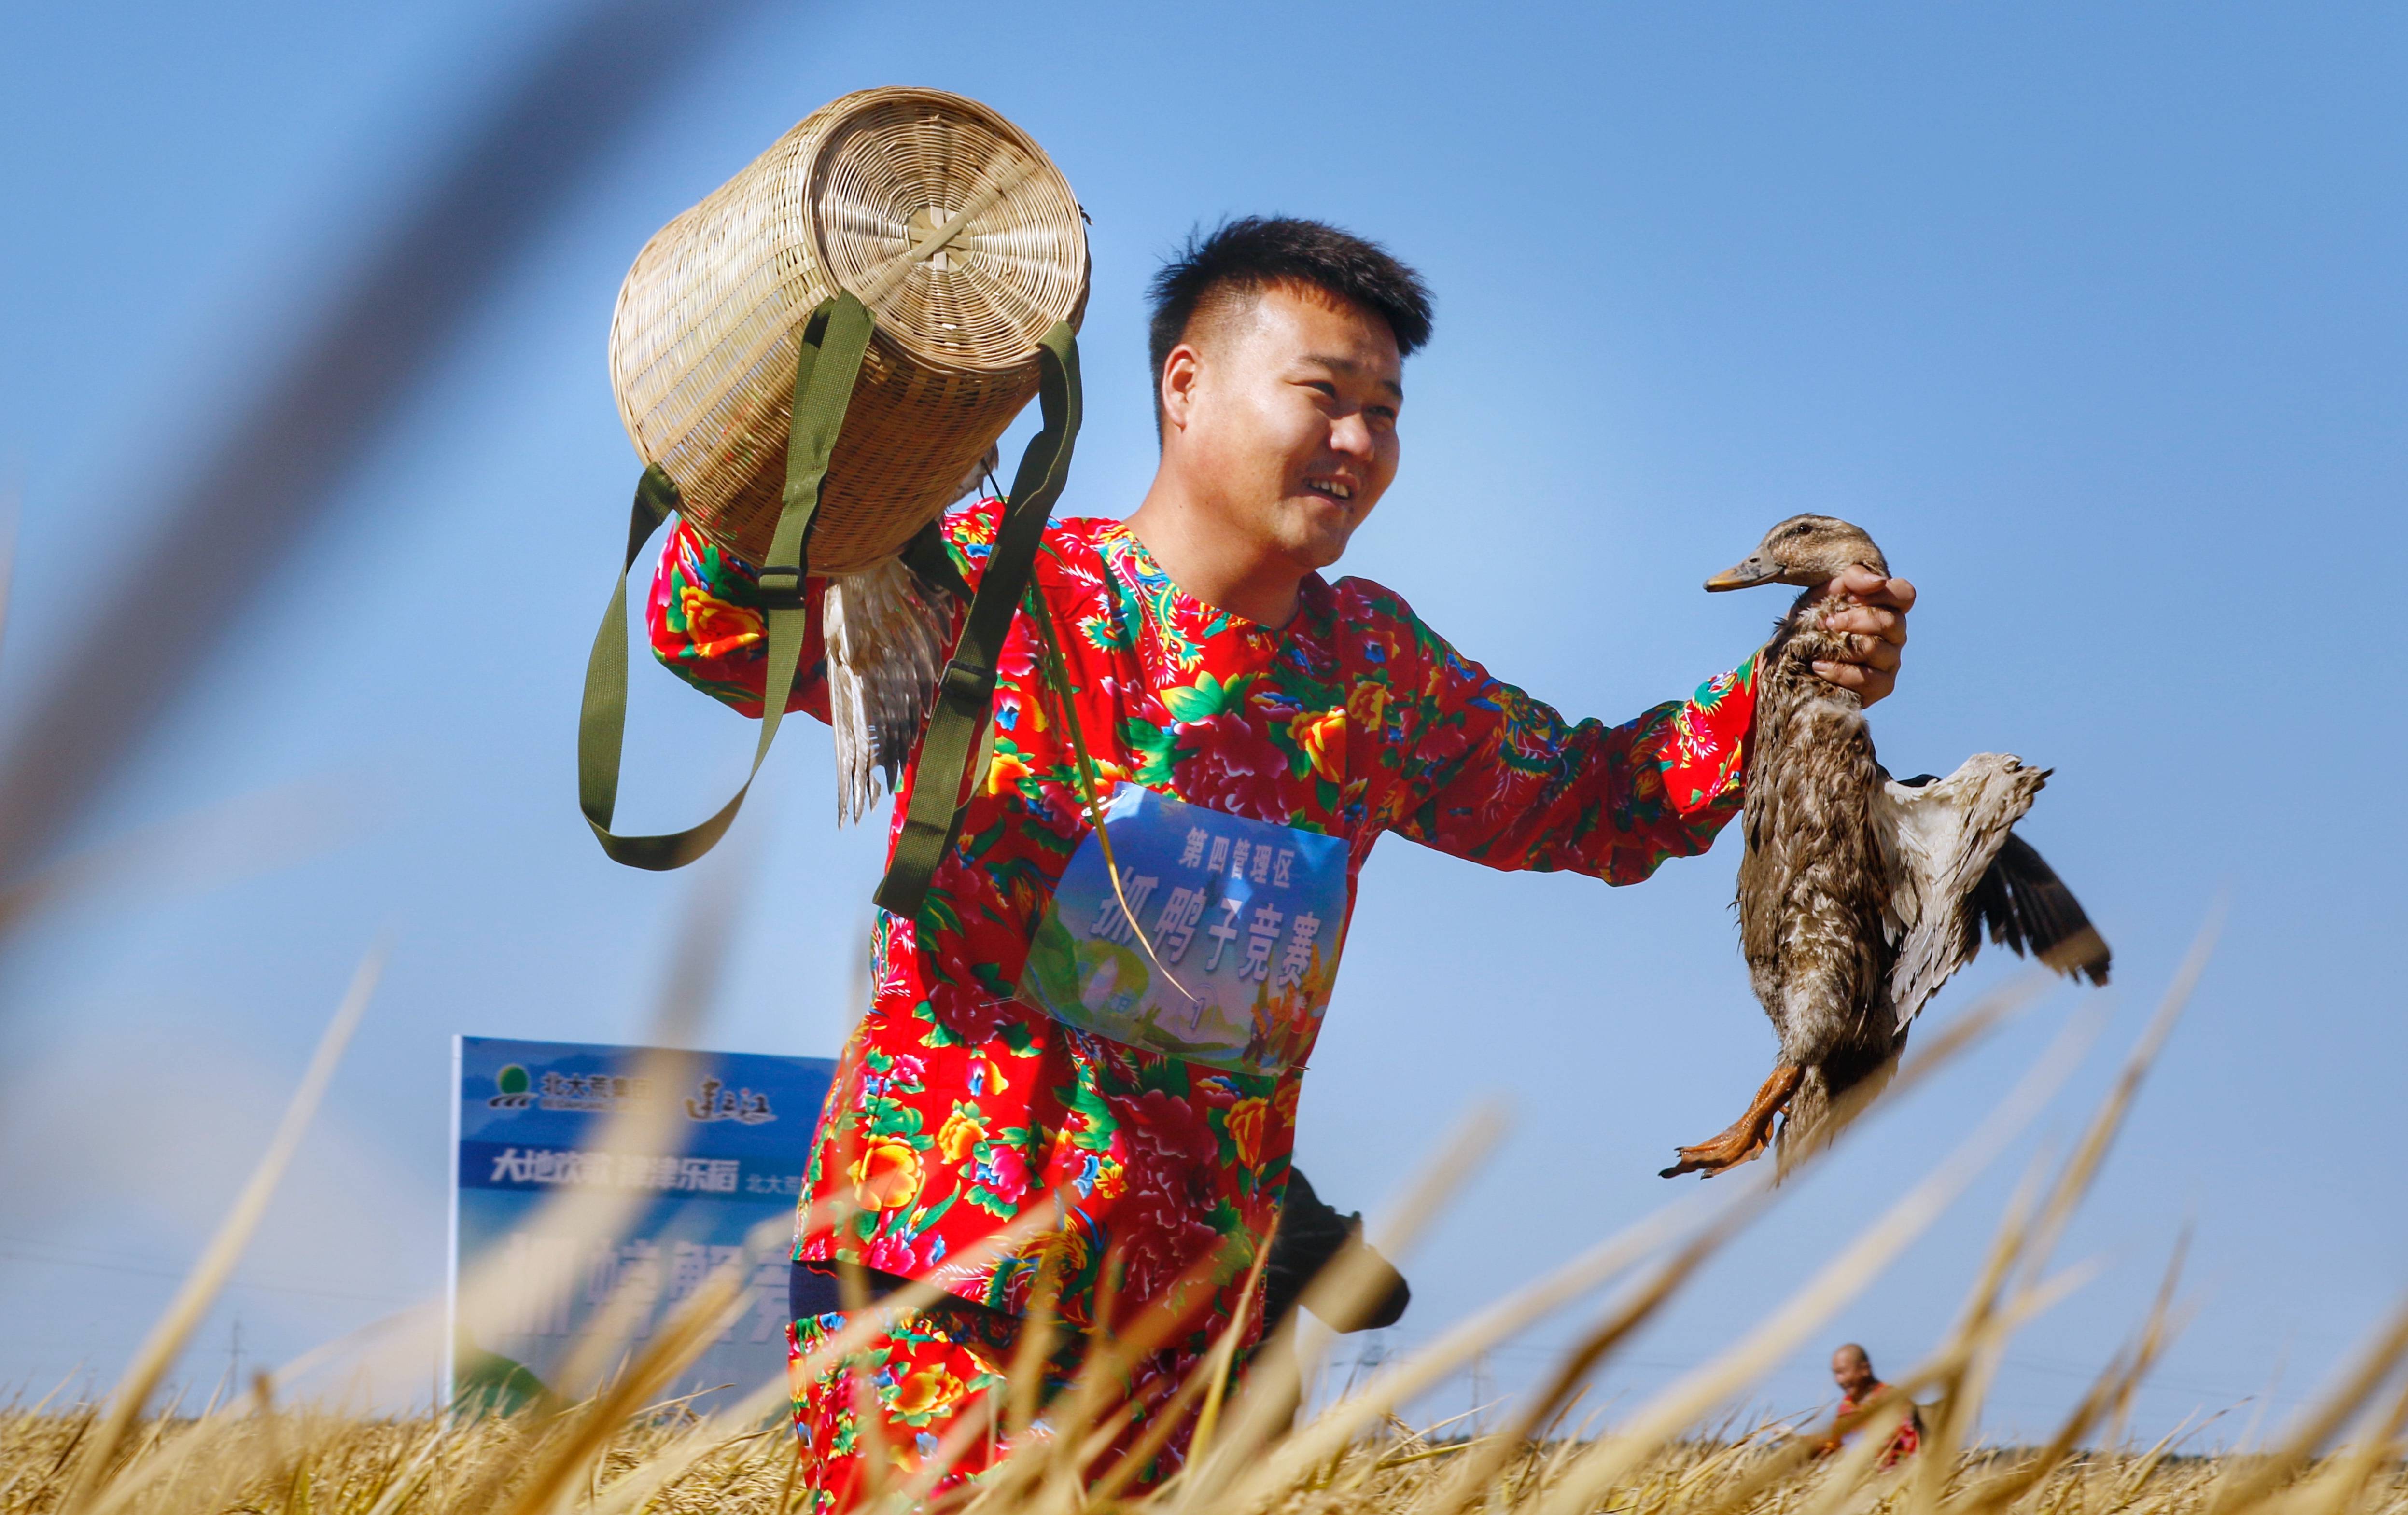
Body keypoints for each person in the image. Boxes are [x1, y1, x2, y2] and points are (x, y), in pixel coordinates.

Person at [646, 216, 1915, 1511]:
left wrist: (1800, 675)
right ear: (1184, 386)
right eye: (1323, 393)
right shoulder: (998, 590)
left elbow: (1600, 800)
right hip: (946, 1290)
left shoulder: (1371, 669)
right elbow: (710, 631)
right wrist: (809, 434)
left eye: (1384, 411)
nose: (1358, 442)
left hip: (1203, 1334)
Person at [1825, 1342, 1923, 1466]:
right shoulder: (1847, 1406)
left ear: (1865, 1369)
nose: (1839, 1380)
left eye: (1843, 1372)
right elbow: (1835, 1444)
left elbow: (1910, 1446)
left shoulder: (1892, 1400)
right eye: (1836, 1374)